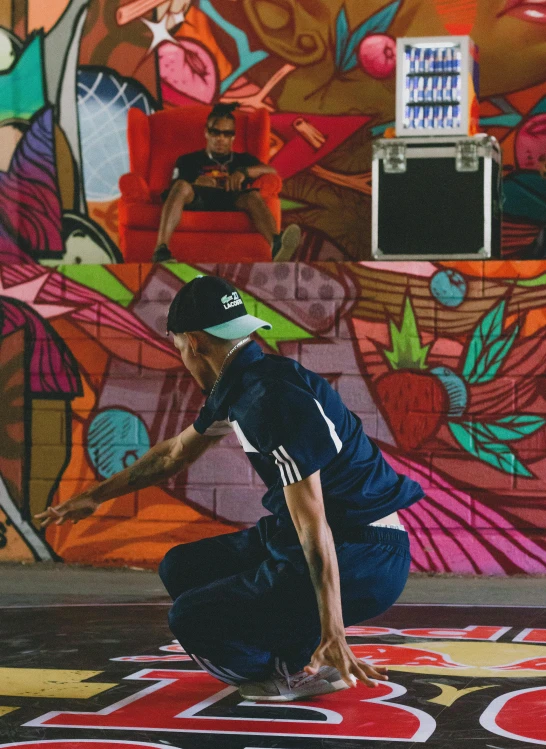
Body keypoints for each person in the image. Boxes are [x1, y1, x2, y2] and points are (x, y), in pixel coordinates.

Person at [36, 275, 424, 702]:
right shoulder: (244, 381)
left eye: (179, 346)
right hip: (334, 539)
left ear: (195, 342)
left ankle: (294, 671)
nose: (182, 355)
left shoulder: (267, 401)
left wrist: (333, 630)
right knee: (183, 568)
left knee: (192, 618)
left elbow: (313, 523)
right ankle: (299, 651)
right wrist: (94, 495)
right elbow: (173, 454)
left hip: (363, 553)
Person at [151, 102, 301, 263]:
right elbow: (174, 188)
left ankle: (276, 244)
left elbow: (272, 172)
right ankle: (161, 250)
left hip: (232, 198)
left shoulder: (242, 159)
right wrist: (195, 182)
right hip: (199, 199)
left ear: (233, 137)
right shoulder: (188, 159)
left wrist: (243, 172)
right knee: (181, 186)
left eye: (227, 133)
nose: (221, 138)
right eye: (215, 132)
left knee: (253, 196)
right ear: (206, 133)